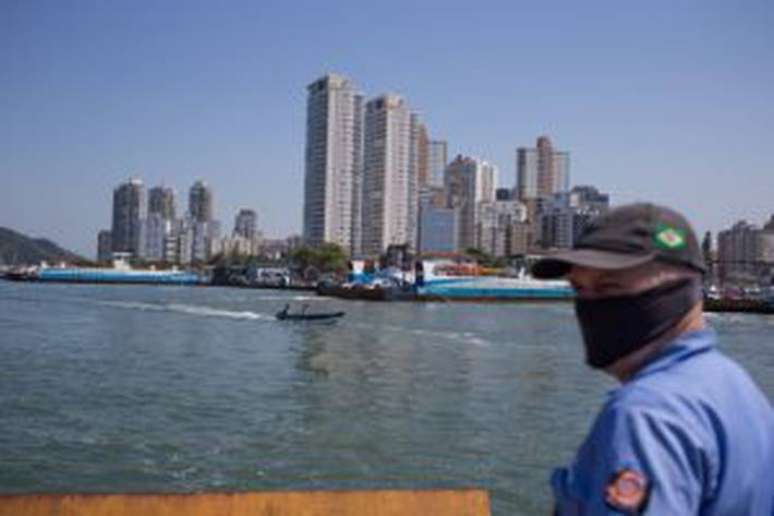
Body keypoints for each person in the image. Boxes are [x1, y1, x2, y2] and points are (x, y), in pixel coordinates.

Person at [532, 203, 773, 515]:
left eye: (608, 286)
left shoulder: (645, 414)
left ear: (680, 287)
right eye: (579, 288)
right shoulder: (734, 386)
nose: (589, 304)